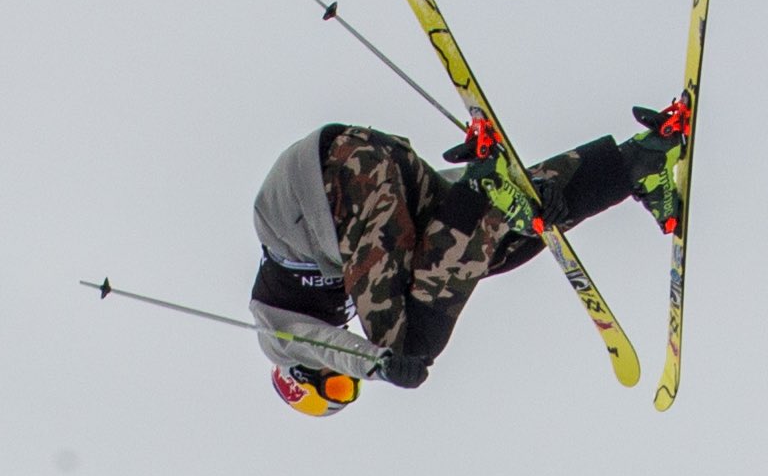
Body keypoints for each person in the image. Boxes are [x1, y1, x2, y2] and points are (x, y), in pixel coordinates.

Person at [248, 102, 690, 411]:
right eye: (347, 390)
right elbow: (440, 225)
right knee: (496, 244)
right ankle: (638, 163)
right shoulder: (350, 277)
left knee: (407, 346)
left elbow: (322, 345)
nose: (343, 380)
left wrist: (377, 366)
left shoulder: (275, 335)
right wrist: (489, 195)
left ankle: (485, 193)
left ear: (300, 378)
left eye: (336, 385)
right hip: (370, 161)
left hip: (324, 187)